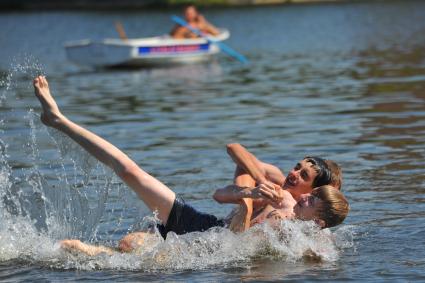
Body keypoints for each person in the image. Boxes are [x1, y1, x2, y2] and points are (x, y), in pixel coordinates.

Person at [32, 76, 348, 256]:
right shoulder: (276, 182)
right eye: (297, 166)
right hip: (202, 224)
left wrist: (255, 205)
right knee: (130, 171)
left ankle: (94, 254)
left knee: (131, 247)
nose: (294, 173)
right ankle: (58, 120)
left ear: (317, 192)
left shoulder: (300, 219)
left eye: (304, 176)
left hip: (209, 245)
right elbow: (223, 187)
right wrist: (251, 192)